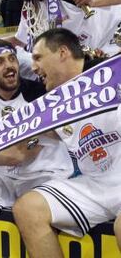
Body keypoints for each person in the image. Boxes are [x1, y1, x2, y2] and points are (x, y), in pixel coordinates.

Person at [13, 28, 121, 257]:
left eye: (38, 57)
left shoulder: (113, 74)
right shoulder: (50, 105)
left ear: (62, 52)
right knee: (28, 209)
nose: (33, 67)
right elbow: (16, 147)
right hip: (93, 183)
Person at [0, 40, 73, 258]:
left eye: (12, 59)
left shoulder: (40, 92)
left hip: (44, 172)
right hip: (4, 174)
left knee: (31, 210)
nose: (9, 66)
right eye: (0, 62)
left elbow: (30, 150)